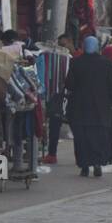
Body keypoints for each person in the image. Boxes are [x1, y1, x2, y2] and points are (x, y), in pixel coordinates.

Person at [64, 35, 112, 177]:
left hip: (79, 108)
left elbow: (69, 84)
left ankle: (84, 166)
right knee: (99, 137)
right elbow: (111, 86)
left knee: (81, 138)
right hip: (100, 109)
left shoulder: (76, 63)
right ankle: (97, 163)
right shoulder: (106, 64)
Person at [41, 34, 73, 165]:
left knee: (77, 127)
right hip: (57, 96)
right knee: (54, 125)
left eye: (63, 45)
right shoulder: (52, 58)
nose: (61, 48)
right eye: (59, 45)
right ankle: (52, 154)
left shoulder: (75, 57)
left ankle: (82, 156)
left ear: (70, 42)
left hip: (72, 98)